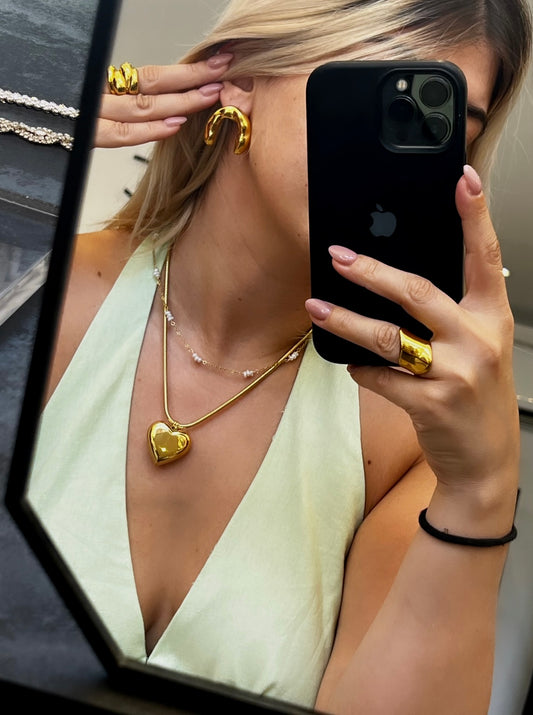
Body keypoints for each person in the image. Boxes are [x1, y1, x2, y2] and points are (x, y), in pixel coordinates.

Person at [28, 1, 532, 712]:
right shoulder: (32, 294)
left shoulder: (412, 438)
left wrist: (481, 493)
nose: (394, 154)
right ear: (238, 79)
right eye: (372, 91)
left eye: (438, 126)